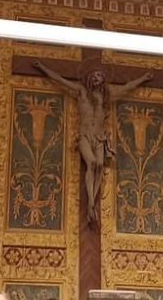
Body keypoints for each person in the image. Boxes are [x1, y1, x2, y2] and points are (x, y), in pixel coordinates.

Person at [31, 58, 153, 223]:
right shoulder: (81, 92)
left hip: (100, 136)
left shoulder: (106, 96)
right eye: (94, 75)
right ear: (89, 77)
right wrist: (43, 67)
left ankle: (92, 203)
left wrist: (144, 78)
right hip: (85, 135)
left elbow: (127, 87)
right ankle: (90, 202)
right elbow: (59, 79)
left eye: (100, 75)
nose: (97, 77)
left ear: (103, 79)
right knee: (92, 163)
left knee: (101, 166)